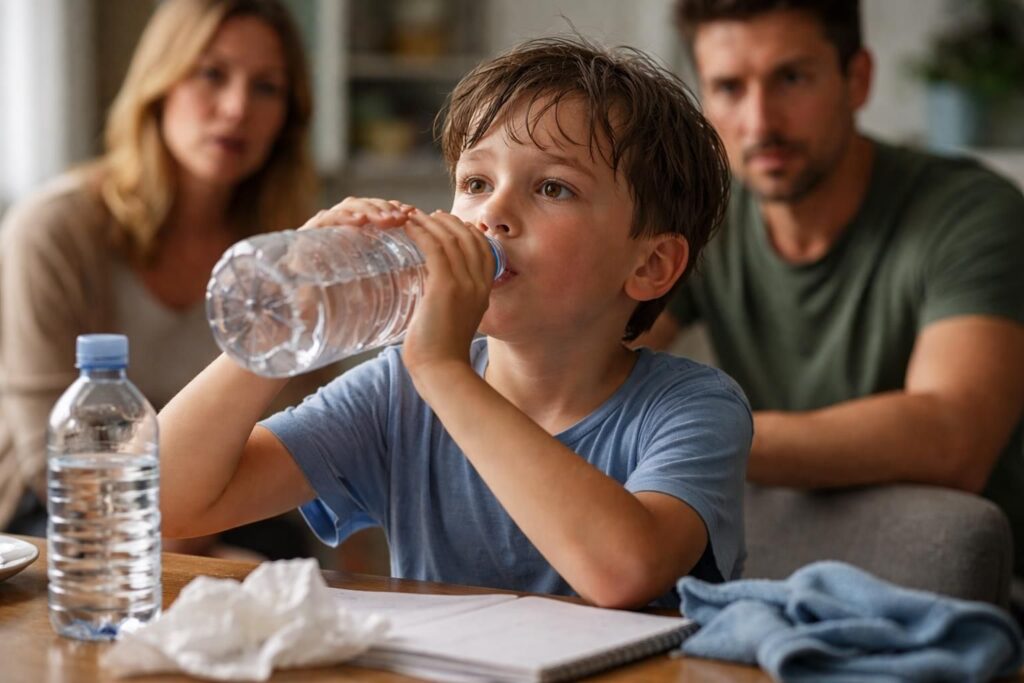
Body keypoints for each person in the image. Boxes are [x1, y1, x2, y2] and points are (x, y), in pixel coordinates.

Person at [157, 36, 752, 608]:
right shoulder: (399, 392)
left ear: (650, 265)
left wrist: (443, 370)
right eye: (476, 183)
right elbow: (164, 503)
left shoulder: (693, 407)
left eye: (552, 187)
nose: (492, 213)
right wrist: (277, 331)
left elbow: (624, 572)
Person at [647, 0, 1024, 573]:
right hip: (790, 569)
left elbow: (954, 438)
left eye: (791, 79)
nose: (760, 123)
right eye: (728, 87)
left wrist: (695, 434)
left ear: (858, 79)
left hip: (969, 584)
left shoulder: (972, 213)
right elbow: (595, 366)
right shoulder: (702, 221)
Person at [0, 0, 321, 559]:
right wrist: (177, 549)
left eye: (266, 87)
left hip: (229, 504)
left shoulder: (290, 252)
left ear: (286, 119)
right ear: (159, 84)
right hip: (66, 507)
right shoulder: (53, 229)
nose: (236, 108)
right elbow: (49, 448)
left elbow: (304, 432)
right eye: (212, 74)